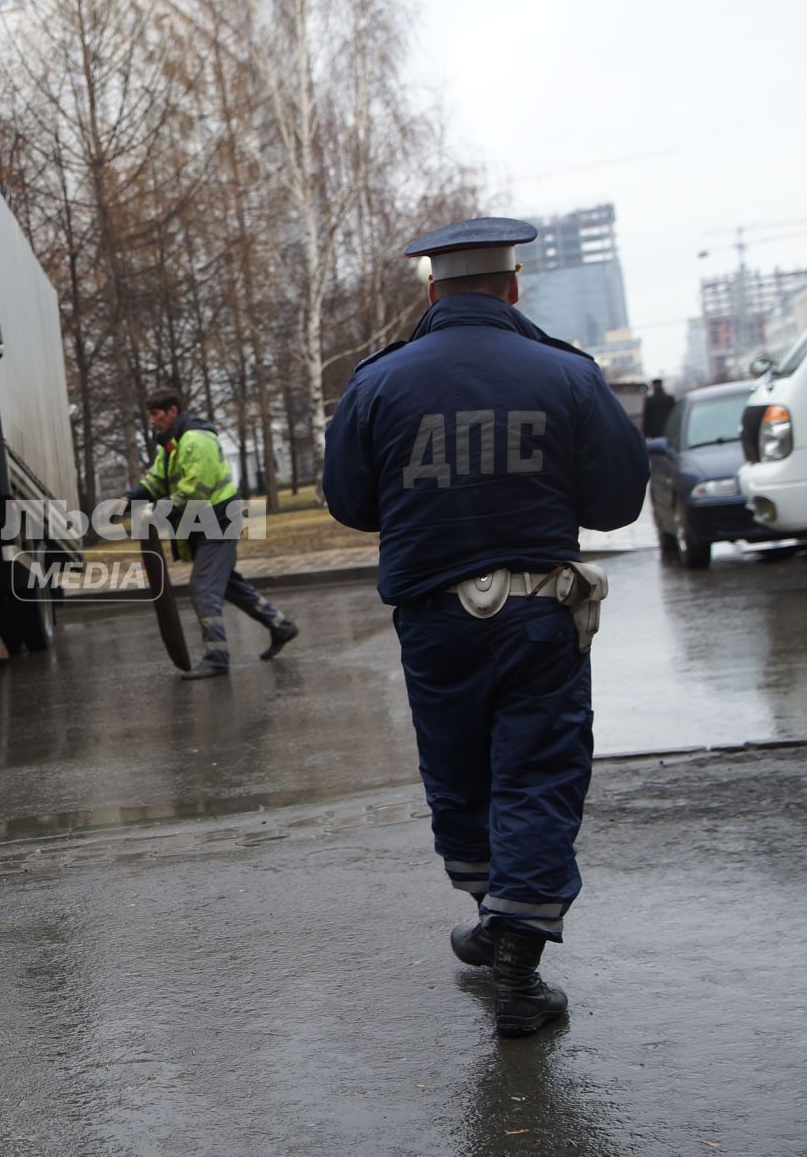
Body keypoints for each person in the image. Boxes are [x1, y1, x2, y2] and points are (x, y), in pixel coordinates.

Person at [321, 217, 648, 1038]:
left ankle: (496, 923)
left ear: (432, 290)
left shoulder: (378, 382)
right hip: (541, 616)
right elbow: (617, 502)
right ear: (512, 287)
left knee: (460, 776)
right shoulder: (567, 375)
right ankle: (515, 961)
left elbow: (352, 503)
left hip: (435, 621)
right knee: (537, 775)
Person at [127, 387, 299, 679]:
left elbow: (197, 488)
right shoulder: (171, 445)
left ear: (173, 411)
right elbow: (157, 480)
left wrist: (159, 511)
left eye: (156, 415)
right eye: (150, 416)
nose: (152, 421)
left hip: (217, 521)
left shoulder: (195, 439)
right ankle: (281, 626)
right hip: (206, 523)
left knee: (204, 586)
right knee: (228, 583)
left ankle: (217, 656)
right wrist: (130, 497)